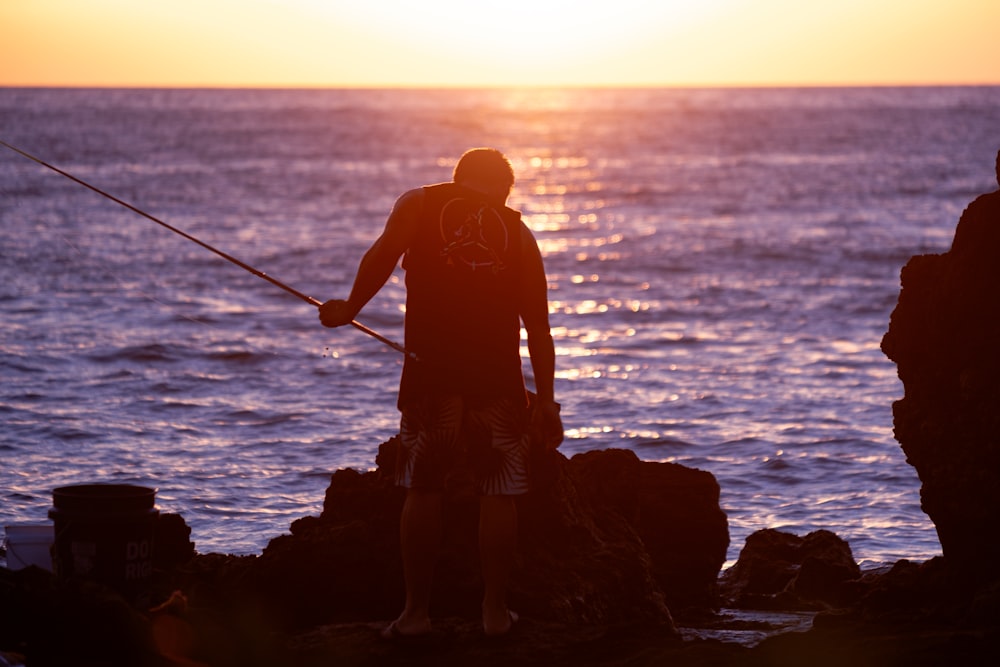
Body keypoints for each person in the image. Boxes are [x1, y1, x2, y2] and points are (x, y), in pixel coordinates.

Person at [319, 147, 564, 638]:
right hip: (498, 380)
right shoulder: (518, 234)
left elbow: (383, 255)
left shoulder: (420, 204)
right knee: (499, 494)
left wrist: (351, 307)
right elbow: (538, 327)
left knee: (424, 487)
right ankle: (494, 614)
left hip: (432, 375)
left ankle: (415, 616)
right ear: (500, 187)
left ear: (460, 178)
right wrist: (547, 404)